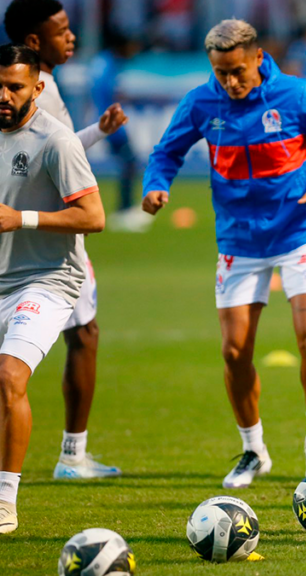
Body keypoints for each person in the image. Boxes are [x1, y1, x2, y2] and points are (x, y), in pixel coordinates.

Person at [141, 19, 306, 489]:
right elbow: (165, 153)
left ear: (258, 58)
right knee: (235, 350)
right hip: (239, 241)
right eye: (221, 73)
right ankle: (252, 449)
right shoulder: (201, 102)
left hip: (301, 232)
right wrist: (157, 186)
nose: (230, 82)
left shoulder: (297, 95)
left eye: (237, 71)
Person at [4, 0, 128, 480]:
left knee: (80, 336)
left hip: (37, 238)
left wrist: (97, 130)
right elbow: (51, 153)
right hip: (51, 247)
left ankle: (71, 454)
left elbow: (56, 146)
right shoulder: (39, 86)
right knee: (84, 336)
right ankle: (73, 455)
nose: (72, 36)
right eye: (62, 30)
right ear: (35, 42)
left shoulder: (38, 82)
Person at [0, 44, 107, 534]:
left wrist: (19, 219)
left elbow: (94, 217)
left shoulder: (56, 141)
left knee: (9, 378)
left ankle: (4, 503)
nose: (3, 95)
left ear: (37, 88)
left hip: (46, 281)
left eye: (14, 86)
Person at [92, 30, 149, 232]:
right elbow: (110, 94)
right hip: (112, 125)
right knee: (129, 163)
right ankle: (124, 211)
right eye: (132, 46)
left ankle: (124, 209)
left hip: (106, 123)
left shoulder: (103, 63)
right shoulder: (108, 66)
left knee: (128, 163)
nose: (134, 51)